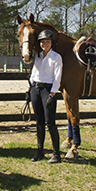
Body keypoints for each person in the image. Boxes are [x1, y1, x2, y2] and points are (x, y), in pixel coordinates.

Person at [28, 29, 63, 163]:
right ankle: (40, 150)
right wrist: (30, 86)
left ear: (51, 43)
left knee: (50, 123)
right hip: (36, 89)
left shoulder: (56, 57)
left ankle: (56, 153)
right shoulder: (37, 56)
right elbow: (34, 71)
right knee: (39, 122)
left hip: (48, 90)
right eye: (42, 42)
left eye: (47, 42)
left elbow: (57, 77)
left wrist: (53, 93)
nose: (44, 44)